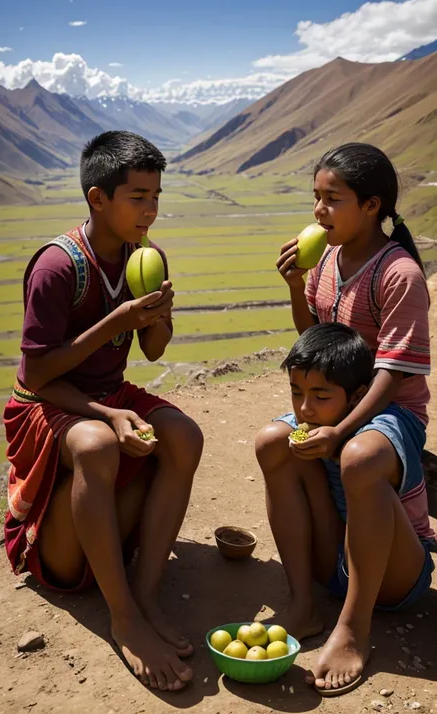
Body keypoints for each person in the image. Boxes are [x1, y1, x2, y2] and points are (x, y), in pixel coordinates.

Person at [3, 130, 204, 692]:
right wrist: (114, 334)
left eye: (157, 197)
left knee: (185, 436)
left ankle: (144, 593)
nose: (151, 211)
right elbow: (39, 375)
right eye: (138, 197)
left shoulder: (147, 256)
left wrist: (159, 313)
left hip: (107, 391)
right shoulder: (57, 267)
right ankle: (123, 617)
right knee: (95, 444)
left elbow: (155, 350)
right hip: (49, 400)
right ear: (98, 198)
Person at [255, 143, 435, 696]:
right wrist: (295, 285)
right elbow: (312, 344)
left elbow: (392, 373)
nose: (318, 211)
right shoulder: (326, 261)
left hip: (391, 414)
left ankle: (354, 630)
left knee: (358, 456)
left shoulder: (399, 272)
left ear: (371, 204)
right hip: (337, 409)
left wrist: (344, 430)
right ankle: (305, 604)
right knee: (271, 442)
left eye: (332, 199)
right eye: (316, 198)